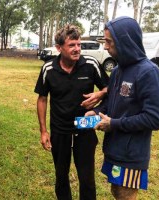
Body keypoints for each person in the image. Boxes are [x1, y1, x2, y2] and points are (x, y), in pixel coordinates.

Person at [85, 16, 159, 199]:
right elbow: (111, 102)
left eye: (109, 42)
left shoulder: (149, 72)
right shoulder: (117, 70)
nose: (105, 47)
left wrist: (114, 124)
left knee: (124, 195)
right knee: (116, 191)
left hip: (131, 155)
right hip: (114, 150)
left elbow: (155, 118)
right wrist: (96, 112)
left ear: (124, 41)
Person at [34, 24, 109, 200]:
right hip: (60, 130)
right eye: (72, 45)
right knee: (61, 177)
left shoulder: (90, 64)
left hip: (85, 126)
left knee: (87, 178)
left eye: (79, 44)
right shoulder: (49, 69)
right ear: (59, 48)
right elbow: (42, 99)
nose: (77, 49)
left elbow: (109, 88)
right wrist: (43, 131)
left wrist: (100, 93)